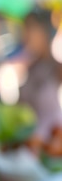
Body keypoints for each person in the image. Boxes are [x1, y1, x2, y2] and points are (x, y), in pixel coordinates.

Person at [17, 8, 62, 140]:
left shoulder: (57, 69)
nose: (26, 35)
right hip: (29, 146)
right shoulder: (29, 68)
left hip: (53, 147)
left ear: (45, 32)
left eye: (31, 29)